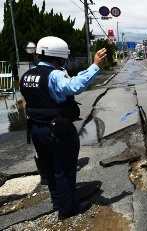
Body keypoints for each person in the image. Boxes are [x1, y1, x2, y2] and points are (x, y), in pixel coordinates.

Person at [19, 36, 107, 220]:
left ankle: (58, 202)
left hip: (36, 129)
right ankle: (68, 209)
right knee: (64, 169)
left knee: (49, 169)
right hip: (57, 129)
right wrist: (95, 66)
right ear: (59, 56)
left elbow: (25, 102)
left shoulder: (27, 75)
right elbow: (74, 86)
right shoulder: (55, 74)